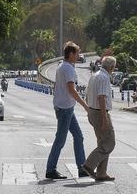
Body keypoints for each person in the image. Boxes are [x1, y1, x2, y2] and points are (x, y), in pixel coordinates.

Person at [45, 41, 89, 180]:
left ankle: (82, 168)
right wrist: (85, 105)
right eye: (77, 53)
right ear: (70, 54)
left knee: (78, 136)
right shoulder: (68, 68)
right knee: (60, 140)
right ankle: (50, 169)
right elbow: (71, 90)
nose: (79, 56)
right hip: (65, 108)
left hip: (65, 107)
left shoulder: (63, 66)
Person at [81, 56, 117, 182]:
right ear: (112, 67)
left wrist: (90, 112)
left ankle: (102, 173)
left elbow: (87, 94)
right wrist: (104, 118)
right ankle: (89, 165)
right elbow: (101, 97)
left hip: (93, 111)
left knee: (103, 143)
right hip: (99, 112)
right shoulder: (104, 77)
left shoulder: (95, 75)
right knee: (109, 143)